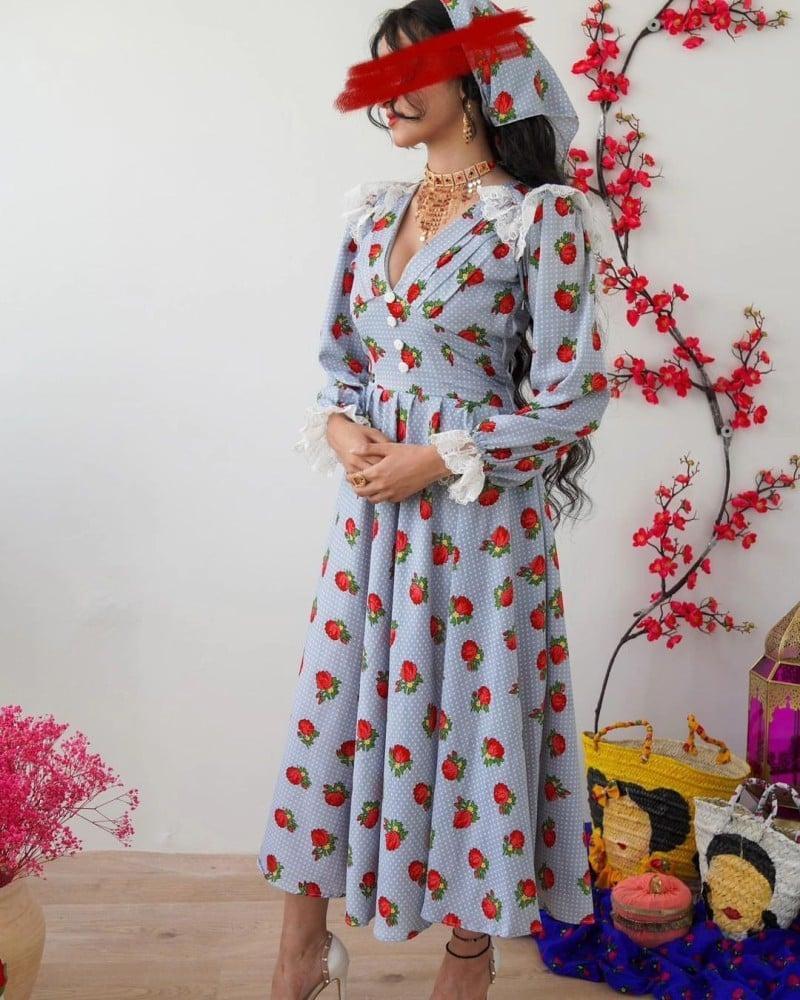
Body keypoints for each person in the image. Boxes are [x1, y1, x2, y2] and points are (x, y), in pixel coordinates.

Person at [257, 3, 612, 997]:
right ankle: (297, 953)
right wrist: (344, 433)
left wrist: (436, 457)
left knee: (469, 712)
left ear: (476, 78)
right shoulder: (372, 213)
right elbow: (339, 364)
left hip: (477, 521)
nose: (388, 92)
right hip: (372, 518)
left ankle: (467, 955)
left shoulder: (539, 218)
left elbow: (573, 397)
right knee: (336, 705)